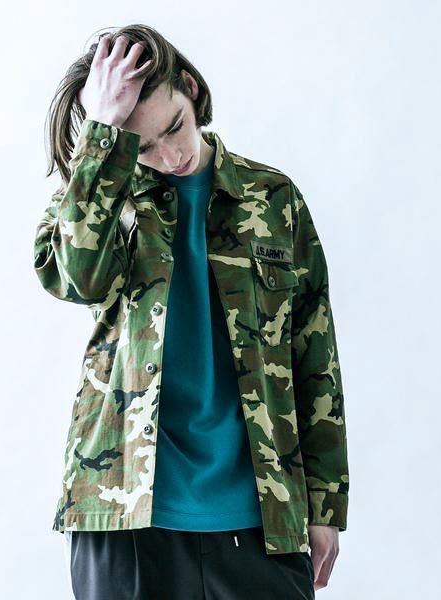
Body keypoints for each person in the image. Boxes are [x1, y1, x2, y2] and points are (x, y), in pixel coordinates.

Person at [33, 23, 350, 600]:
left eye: (174, 127)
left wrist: (326, 503)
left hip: (260, 511)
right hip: (125, 513)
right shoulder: (100, 199)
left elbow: (314, 351)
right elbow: (76, 279)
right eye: (142, 146)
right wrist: (102, 135)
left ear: (191, 89)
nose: (171, 156)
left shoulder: (272, 198)